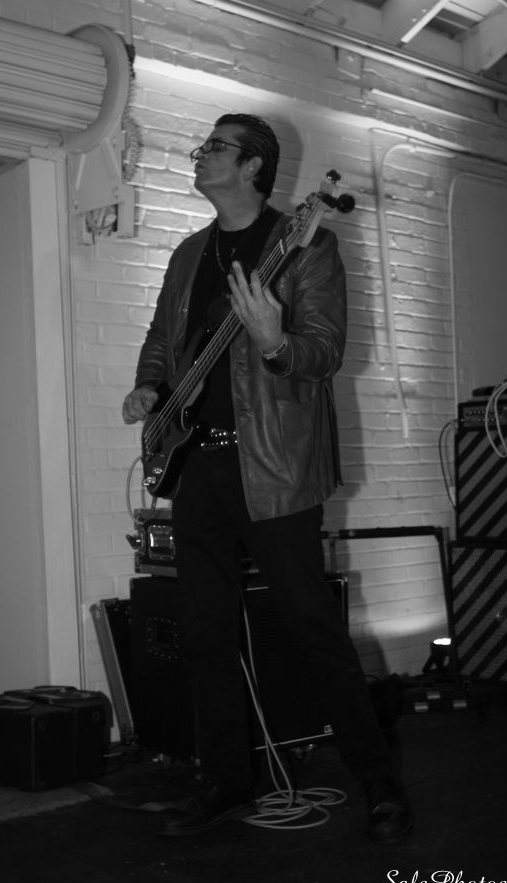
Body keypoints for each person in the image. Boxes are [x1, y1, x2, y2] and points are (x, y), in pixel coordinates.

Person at [122, 113, 412, 842]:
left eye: (215, 147)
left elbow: (324, 354)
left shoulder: (307, 245)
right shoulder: (188, 255)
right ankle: (225, 780)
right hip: (198, 464)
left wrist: (276, 340)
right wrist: (149, 387)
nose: (200, 155)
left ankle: (377, 780)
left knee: (312, 626)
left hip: (276, 467)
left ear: (253, 165)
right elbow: (162, 339)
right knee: (204, 633)